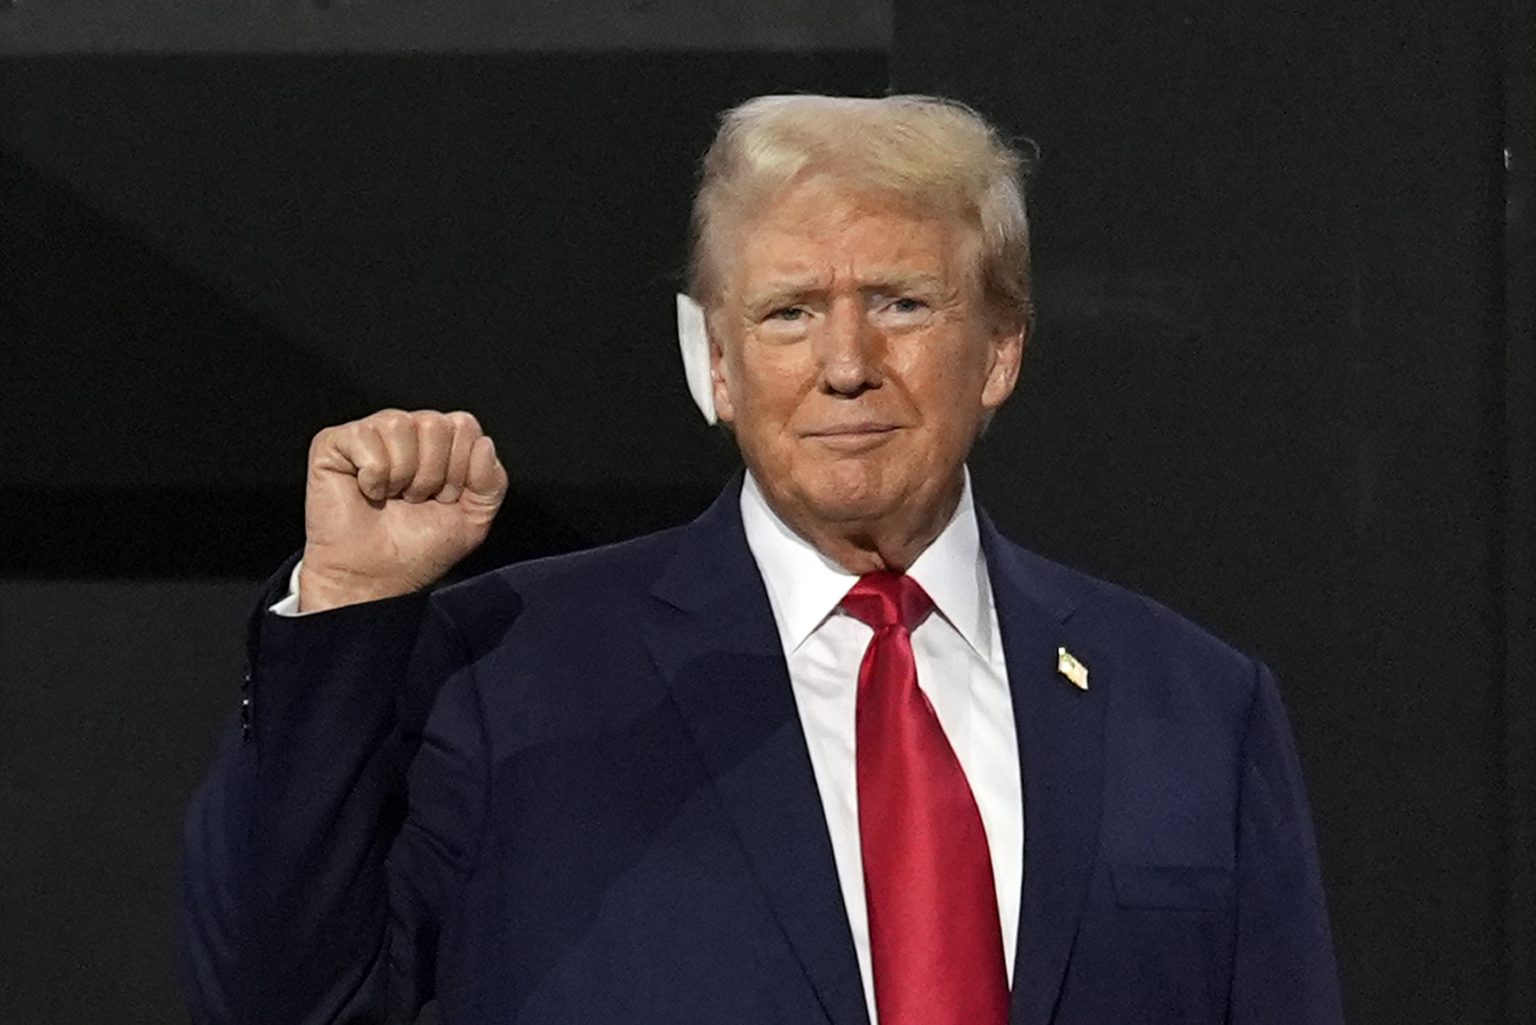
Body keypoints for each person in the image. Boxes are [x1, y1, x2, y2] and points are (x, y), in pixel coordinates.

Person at [181, 94, 1345, 1025]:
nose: (847, 362)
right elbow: (276, 998)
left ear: (999, 351)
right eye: (790, 311)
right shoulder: (512, 675)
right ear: (720, 367)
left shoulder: (1192, 703)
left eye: (900, 301)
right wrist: (344, 605)